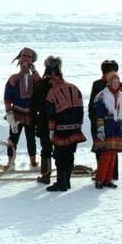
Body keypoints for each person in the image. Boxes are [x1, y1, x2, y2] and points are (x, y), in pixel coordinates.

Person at [44, 58, 86, 192]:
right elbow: (81, 110)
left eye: (49, 78)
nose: (49, 81)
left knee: (60, 157)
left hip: (61, 131)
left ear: (54, 75)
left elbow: (50, 115)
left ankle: (61, 183)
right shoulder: (75, 88)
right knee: (70, 155)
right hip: (75, 130)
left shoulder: (52, 93)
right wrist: (78, 126)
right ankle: (67, 181)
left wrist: (51, 132)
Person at [4, 47, 41, 169]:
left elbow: (43, 87)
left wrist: (35, 72)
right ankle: (10, 161)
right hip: (16, 114)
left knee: (31, 139)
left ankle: (33, 161)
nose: (23, 66)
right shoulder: (13, 79)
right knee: (13, 139)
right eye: (22, 63)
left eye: (26, 64)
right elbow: (7, 98)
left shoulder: (35, 79)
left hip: (31, 114)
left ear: (30, 65)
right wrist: (9, 114)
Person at [89, 60, 122, 181]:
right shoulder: (120, 85)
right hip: (115, 122)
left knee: (101, 149)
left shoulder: (97, 84)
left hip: (100, 121)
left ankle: (101, 174)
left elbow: (92, 105)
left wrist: (94, 121)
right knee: (113, 148)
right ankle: (112, 174)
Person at [30, 55, 59, 184]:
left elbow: (33, 106)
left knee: (46, 148)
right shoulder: (61, 85)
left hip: (44, 121)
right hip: (60, 121)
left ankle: (46, 176)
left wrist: (34, 120)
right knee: (60, 148)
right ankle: (62, 176)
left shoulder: (40, 86)